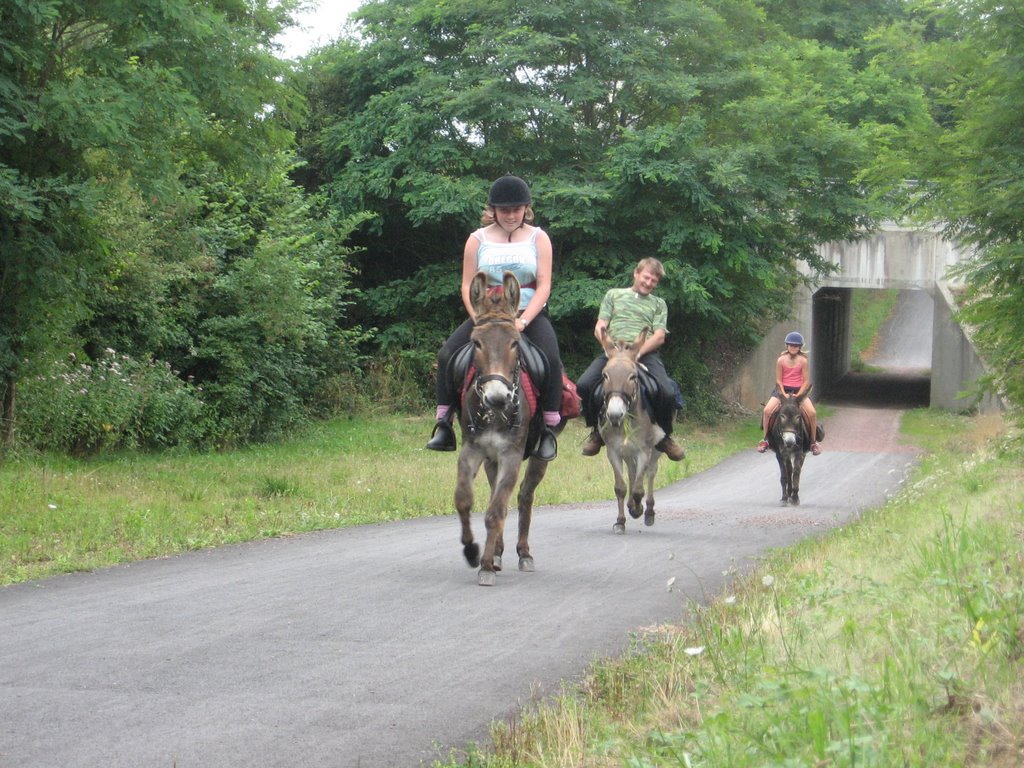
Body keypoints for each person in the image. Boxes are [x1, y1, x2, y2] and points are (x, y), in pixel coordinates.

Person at [426, 175, 564, 460]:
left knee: (551, 358)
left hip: (527, 313)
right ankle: (444, 423)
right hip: (486, 315)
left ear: (526, 208)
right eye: (504, 210)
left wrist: (523, 321)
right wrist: (478, 318)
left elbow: (544, 284)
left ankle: (549, 428)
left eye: (517, 209)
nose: (511, 215)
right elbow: (466, 285)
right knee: (447, 353)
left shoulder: (539, 238)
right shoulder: (477, 239)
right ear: (493, 210)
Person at [576, 258, 686, 461]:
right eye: (646, 277)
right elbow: (600, 326)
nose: (649, 282)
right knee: (584, 384)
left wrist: (637, 353)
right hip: (613, 352)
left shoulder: (659, 304)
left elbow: (659, 335)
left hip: (645, 353)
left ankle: (664, 437)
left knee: (667, 392)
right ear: (636, 273)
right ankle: (596, 431)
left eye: (654, 280)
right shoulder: (613, 295)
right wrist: (610, 351)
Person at [757, 331, 821, 455]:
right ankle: (765, 439)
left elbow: (806, 381)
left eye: (796, 346)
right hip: (782, 391)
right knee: (767, 410)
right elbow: (779, 380)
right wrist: (783, 395)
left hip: (798, 392)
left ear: (800, 347)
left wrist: (799, 395)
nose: (793, 347)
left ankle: (813, 442)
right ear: (787, 346)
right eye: (791, 345)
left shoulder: (803, 361)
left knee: (812, 413)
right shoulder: (781, 360)